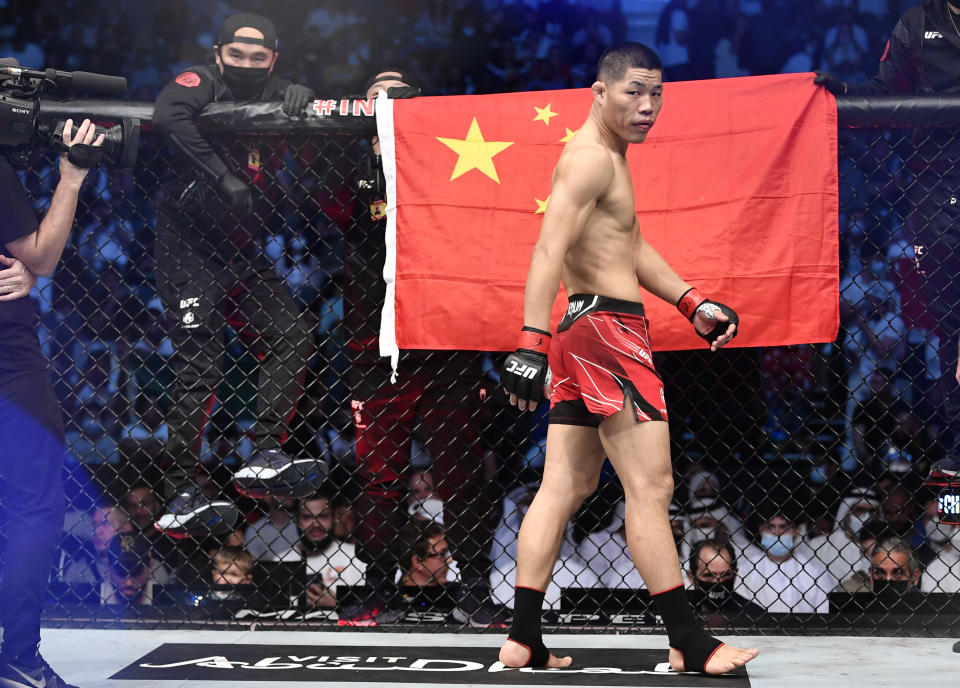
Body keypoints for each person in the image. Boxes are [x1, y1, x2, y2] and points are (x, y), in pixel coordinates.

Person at [497, 43, 757, 674]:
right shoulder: (588, 159)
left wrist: (690, 302)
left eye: (657, 94)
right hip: (608, 332)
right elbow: (545, 250)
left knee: (568, 483)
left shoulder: (609, 155)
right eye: (633, 92)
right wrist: (528, 343)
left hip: (586, 327)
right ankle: (691, 644)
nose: (647, 107)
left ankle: (523, 638)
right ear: (599, 92)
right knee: (651, 486)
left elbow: (629, 242)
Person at [340, 68, 503, 627]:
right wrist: (376, 153)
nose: (387, 104)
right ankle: (376, 585)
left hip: (447, 338)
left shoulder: (451, 160)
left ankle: (475, 588)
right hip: (375, 340)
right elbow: (342, 218)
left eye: (400, 97)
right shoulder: (346, 158)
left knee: (462, 472)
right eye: (376, 98)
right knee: (378, 476)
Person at [152, 12, 322, 538]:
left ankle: (265, 452)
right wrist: (222, 175)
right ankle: (180, 488)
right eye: (237, 55)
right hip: (189, 249)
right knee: (199, 365)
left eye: (258, 57)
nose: (246, 65)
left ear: (273, 59)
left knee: (293, 336)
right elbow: (167, 113)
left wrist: (302, 98)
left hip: (242, 252)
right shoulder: (204, 81)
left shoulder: (281, 90)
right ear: (219, 53)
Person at [815, 0, 960, 484]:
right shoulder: (918, 22)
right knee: (952, 324)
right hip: (937, 183)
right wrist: (844, 92)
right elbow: (883, 92)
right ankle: (959, 445)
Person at [0, 79, 103, 685]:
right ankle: (16, 656)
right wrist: (71, 176)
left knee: (34, 507)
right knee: (34, 507)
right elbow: (37, 259)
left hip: (10, 354)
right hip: (8, 357)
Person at [268, 491, 367, 609]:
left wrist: (337, 603)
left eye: (323, 516)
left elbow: (371, 603)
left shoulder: (355, 556)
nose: (315, 524)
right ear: (297, 520)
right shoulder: (281, 560)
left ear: (334, 518)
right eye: (307, 517)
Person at [738, 507, 831, 614]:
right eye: (771, 527)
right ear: (761, 530)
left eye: (784, 527)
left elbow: (826, 616)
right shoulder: (745, 571)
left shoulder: (816, 572)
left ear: (797, 532)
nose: (777, 533)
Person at [686, 539, 766, 625]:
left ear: (734, 575)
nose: (718, 582)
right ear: (692, 577)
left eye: (725, 575)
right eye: (709, 575)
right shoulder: (676, 610)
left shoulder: (754, 615)